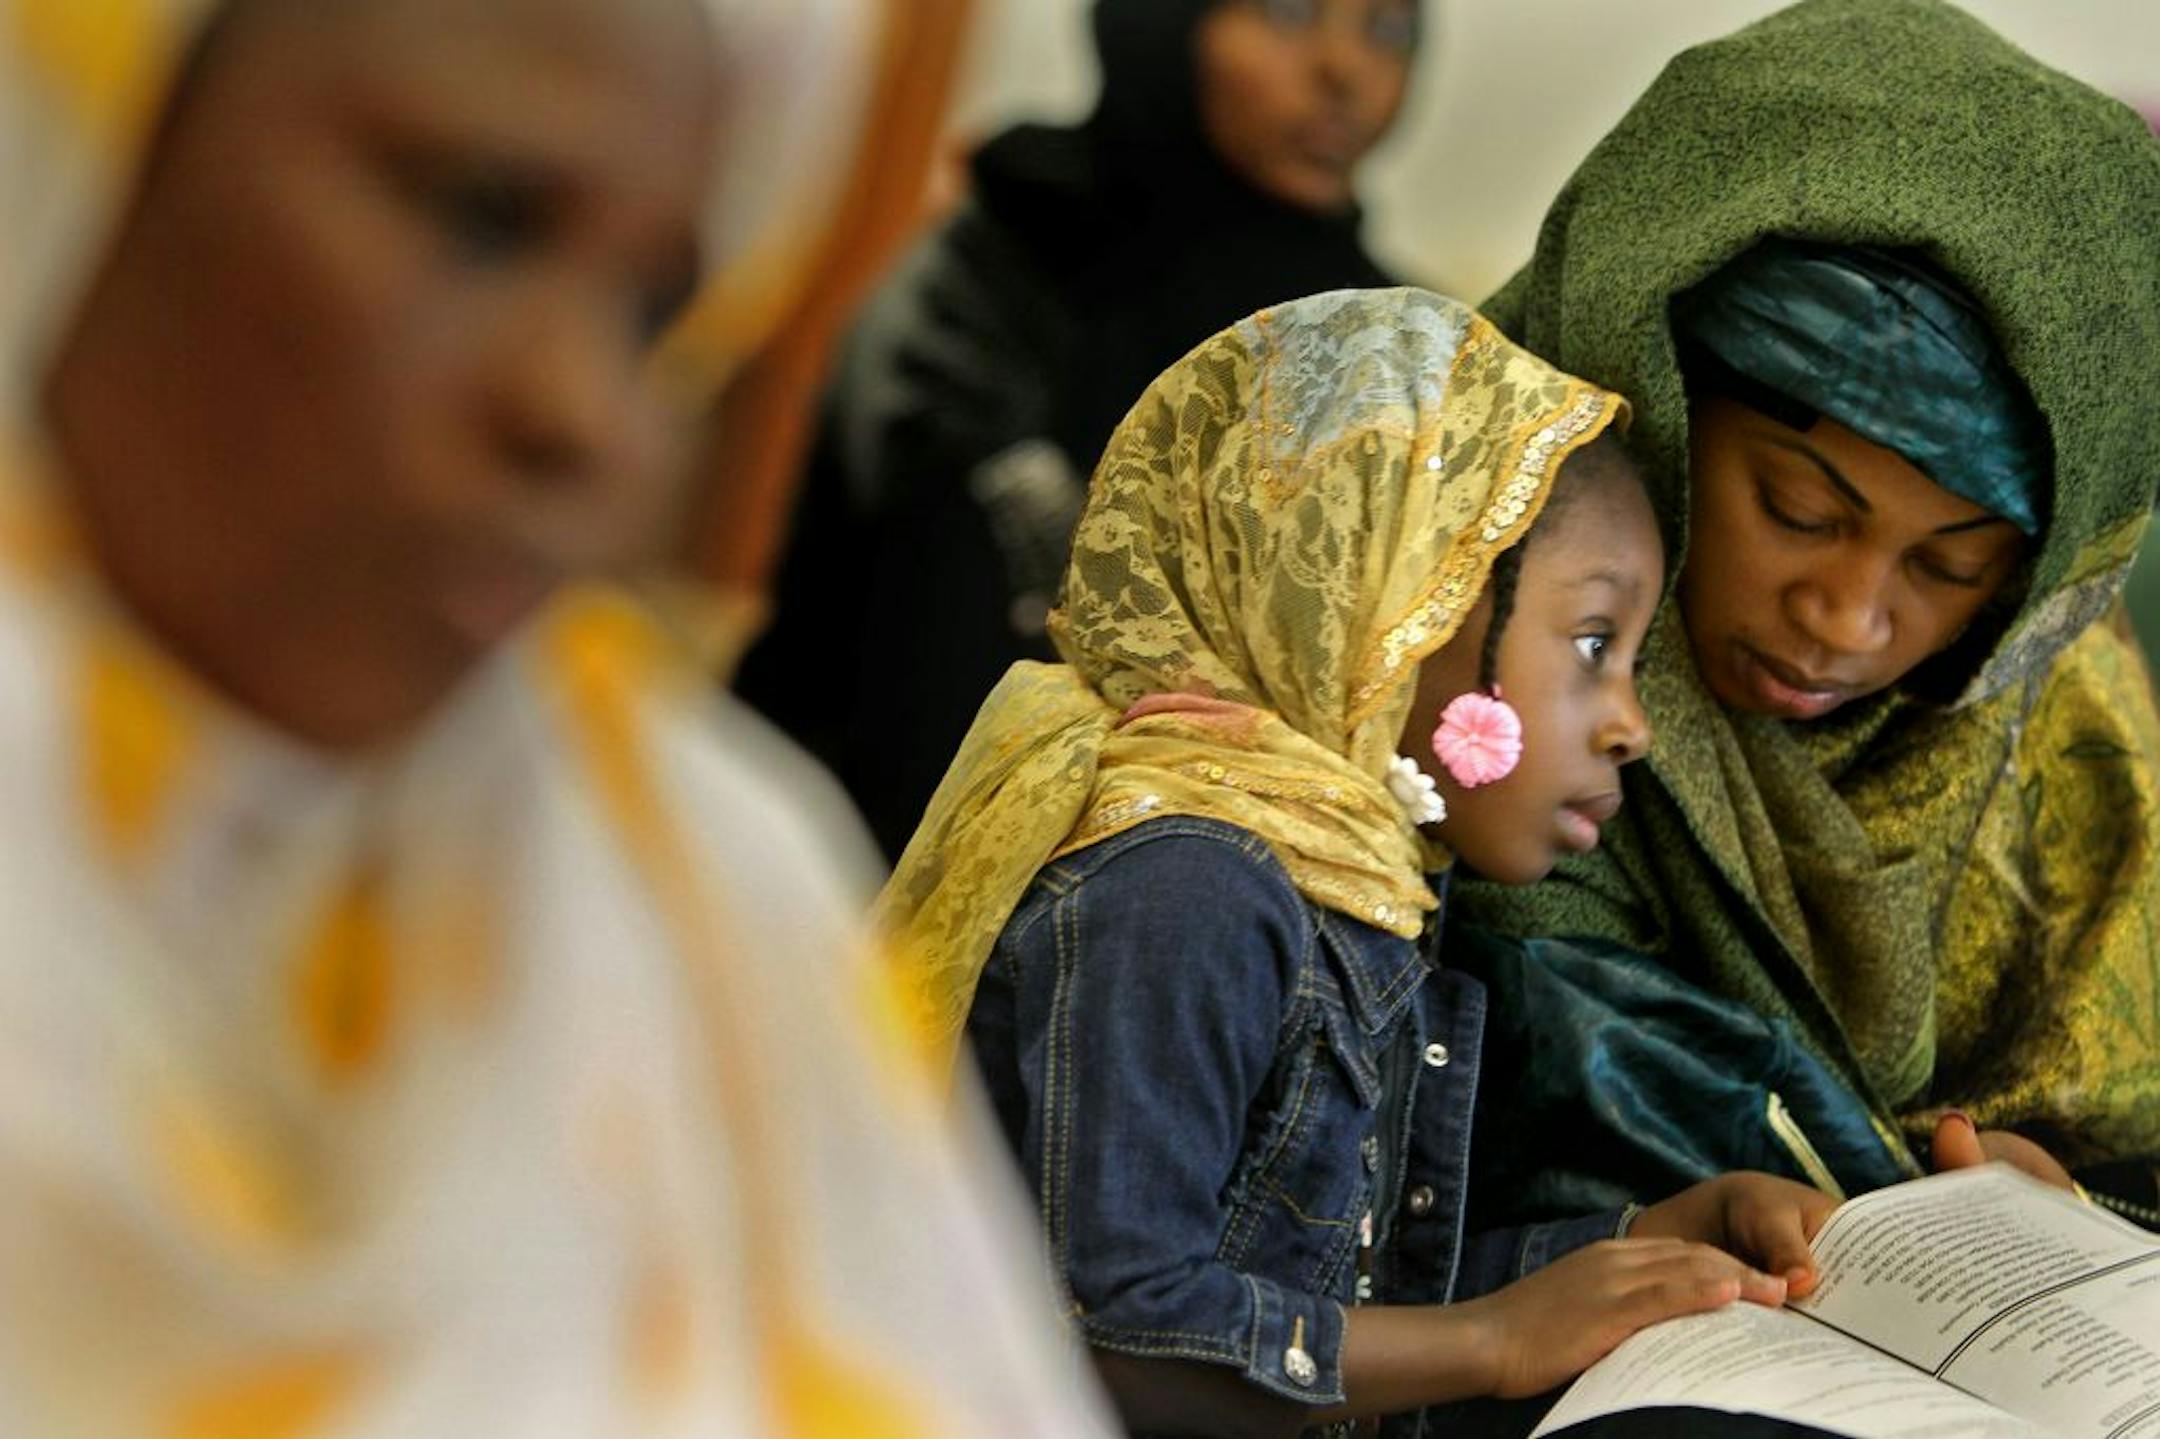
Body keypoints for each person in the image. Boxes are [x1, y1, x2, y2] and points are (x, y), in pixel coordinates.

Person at [0, 0, 1115, 1432]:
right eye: (481, 218)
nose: (588, 411)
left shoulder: (704, 888)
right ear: (93, 136)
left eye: (657, 310)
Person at [877, 288, 1841, 1436]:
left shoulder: (1353, 879)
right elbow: (1118, 1334)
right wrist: (1495, 1340)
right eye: (1594, 644)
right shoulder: (1187, 884)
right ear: (1395, 613)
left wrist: (1633, 1246)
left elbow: (1331, 1294)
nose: (1634, 723)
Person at [1450, 0, 2160, 1230]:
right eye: (1797, 507)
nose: (1844, 619)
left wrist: (2079, 1206)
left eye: (1950, 569)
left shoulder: (2064, 720)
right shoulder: (1423, 613)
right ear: (1650, 399)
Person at [737, 0, 1422, 859]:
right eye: (1287, 13)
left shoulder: (1391, 342)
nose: (1345, 71)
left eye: (1390, 31)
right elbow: (933, 651)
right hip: (871, 865)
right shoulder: (1004, 263)